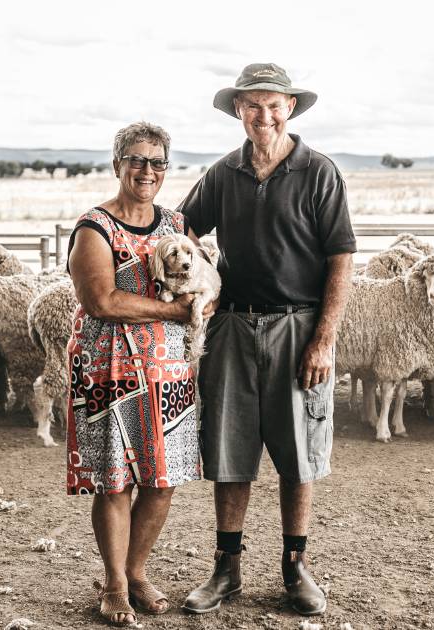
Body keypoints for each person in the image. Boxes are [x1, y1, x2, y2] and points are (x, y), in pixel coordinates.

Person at [177, 63, 356, 616]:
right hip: (231, 324)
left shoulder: (319, 172)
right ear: (238, 111)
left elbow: (341, 257)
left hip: (297, 325)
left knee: (298, 451)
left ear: (291, 109)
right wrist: (197, 282)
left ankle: (295, 567)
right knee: (229, 450)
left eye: (274, 104)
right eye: (252, 105)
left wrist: (324, 337)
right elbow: (181, 229)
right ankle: (226, 569)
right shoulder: (222, 174)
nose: (264, 115)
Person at [66, 121, 213, 626]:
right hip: (109, 371)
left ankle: (135, 572)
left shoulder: (176, 224)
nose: (146, 170)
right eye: (136, 159)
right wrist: (178, 311)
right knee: (114, 483)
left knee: (162, 480)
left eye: (157, 162)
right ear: (117, 165)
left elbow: (199, 277)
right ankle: (113, 585)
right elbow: (102, 300)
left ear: (166, 170)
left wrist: (205, 303)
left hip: (169, 370)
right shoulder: (95, 228)